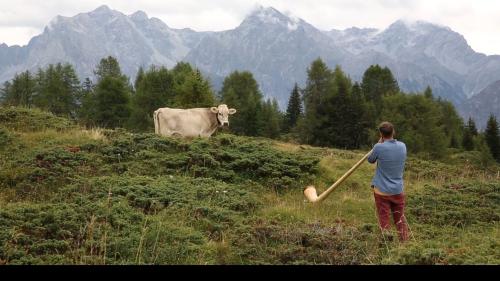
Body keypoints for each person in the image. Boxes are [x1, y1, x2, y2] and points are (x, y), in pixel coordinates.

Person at [367, 121, 409, 242]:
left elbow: (370, 159)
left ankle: (386, 244)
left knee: (384, 218)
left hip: (382, 191)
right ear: (393, 132)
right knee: (399, 219)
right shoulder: (402, 146)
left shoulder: (378, 147)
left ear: (380, 133)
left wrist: (379, 144)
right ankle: (405, 244)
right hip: (397, 190)